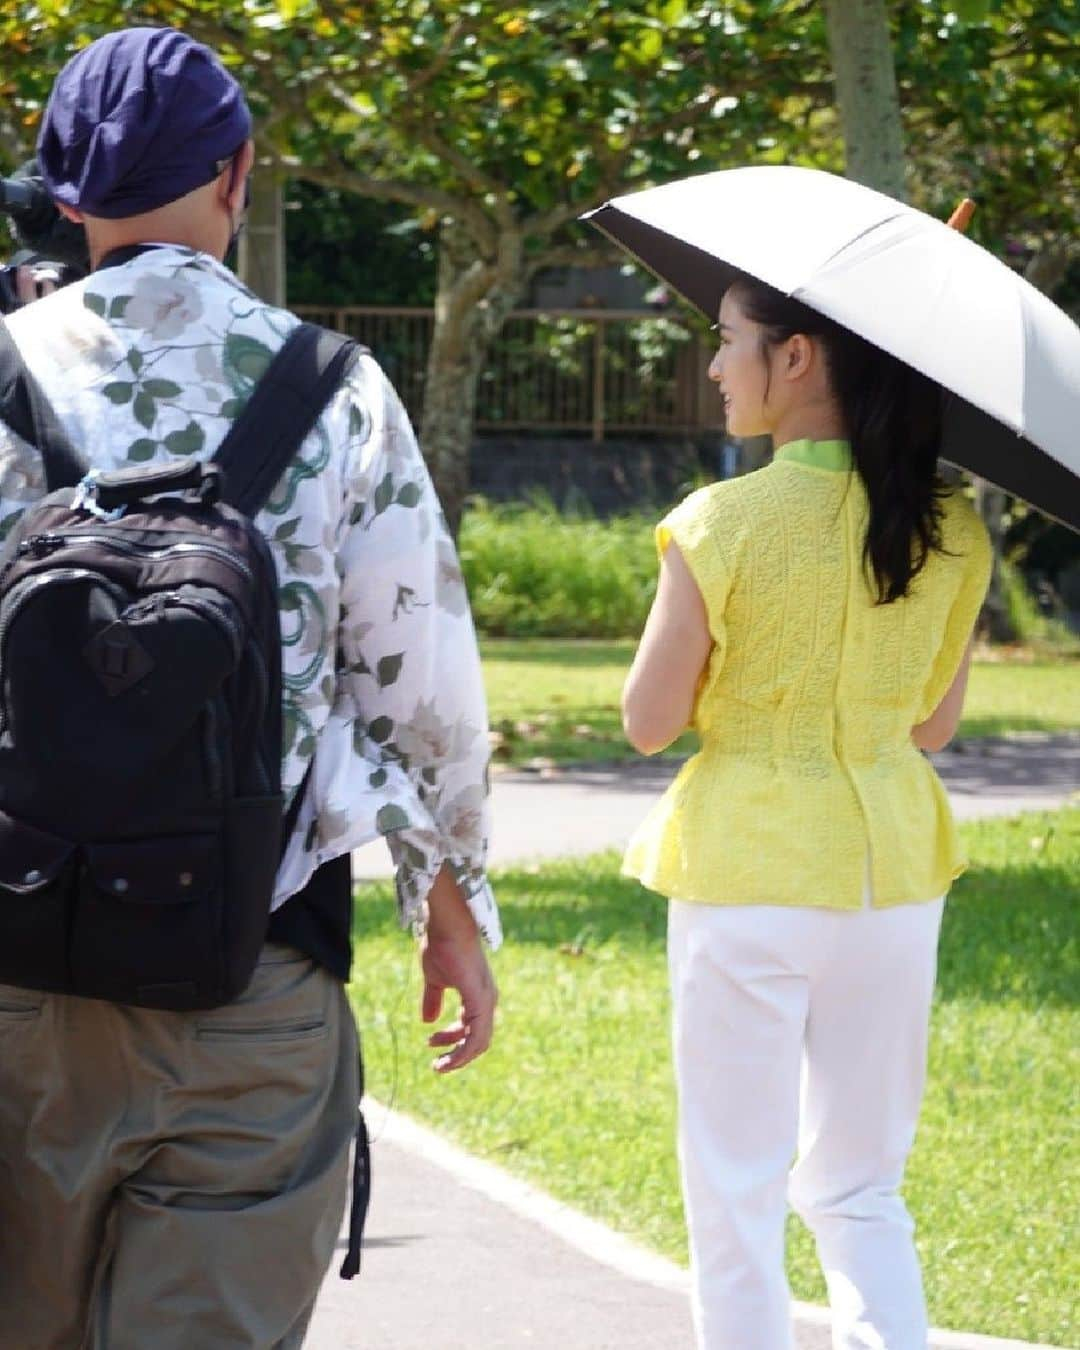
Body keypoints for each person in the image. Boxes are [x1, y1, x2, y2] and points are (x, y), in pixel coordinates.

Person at [0, 27, 499, 1349]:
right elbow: (418, 683)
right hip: (250, 978)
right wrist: (449, 901)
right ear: (238, 177)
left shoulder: (5, 374)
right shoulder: (336, 391)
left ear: (62, 197)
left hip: (15, 986)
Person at [621, 273, 992, 1350]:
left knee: (736, 1191)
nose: (715, 363)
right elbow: (931, 727)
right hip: (893, 877)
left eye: (727, 340)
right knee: (861, 1185)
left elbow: (648, 721)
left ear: (798, 359)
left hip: (747, 874)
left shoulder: (718, 522)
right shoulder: (953, 528)